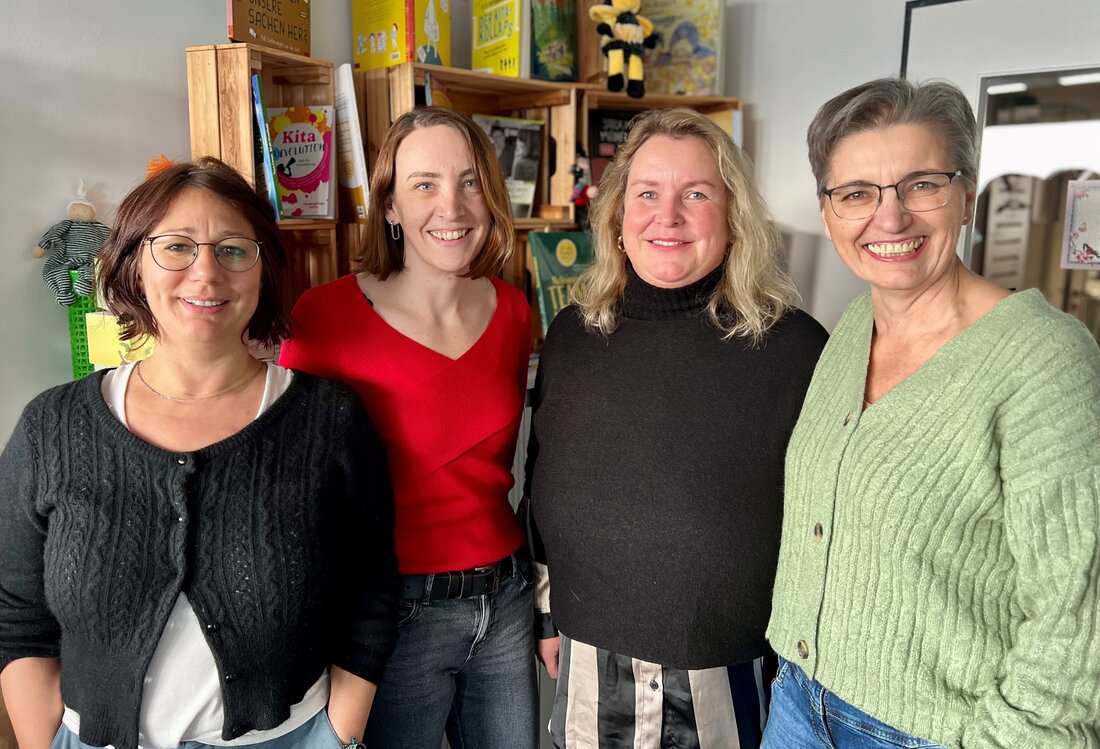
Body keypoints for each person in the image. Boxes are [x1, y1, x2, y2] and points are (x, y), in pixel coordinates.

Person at [0, 157, 399, 749]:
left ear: (263, 269)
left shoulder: (327, 421)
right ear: (134, 262)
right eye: (177, 247)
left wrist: (337, 734)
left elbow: (371, 590)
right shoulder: (52, 427)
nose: (206, 273)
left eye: (234, 249)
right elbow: (17, 613)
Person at [763, 78, 1100, 749]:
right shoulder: (852, 326)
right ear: (830, 212)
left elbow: (1077, 615)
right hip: (798, 700)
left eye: (922, 184)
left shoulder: (1046, 358)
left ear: (966, 195)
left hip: (930, 733)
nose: (890, 219)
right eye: (857, 193)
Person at [524, 107, 828, 748]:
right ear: (617, 214)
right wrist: (549, 614)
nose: (669, 216)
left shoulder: (795, 348)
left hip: (730, 674)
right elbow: (543, 480)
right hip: (587, 665)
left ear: (733, 214)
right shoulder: (572, 336)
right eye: (648, 194)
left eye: (696, 193)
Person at [279, 107, 537, 749]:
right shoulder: (327, 317)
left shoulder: (512, 310)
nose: (451, 206)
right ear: (389, 205)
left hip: (504, 600)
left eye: (470, 181)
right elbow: (289, 475)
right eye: (425, 184)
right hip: (392, 614)